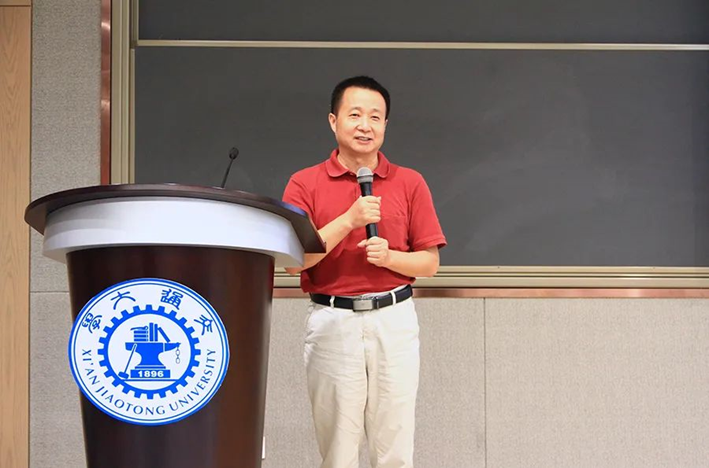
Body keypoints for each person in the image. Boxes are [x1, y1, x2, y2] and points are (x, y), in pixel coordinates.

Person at [282, 75, 446, 468]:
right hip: (332, 320)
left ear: (385, 125)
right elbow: (294, 262)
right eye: (354, 114)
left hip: (394, 320)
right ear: (333, 121)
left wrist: (390, 258)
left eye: (375, 117)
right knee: (338, 449)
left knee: (394, 446)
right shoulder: (304, 183)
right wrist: (348, 220)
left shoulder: (409, 182)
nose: (365, 126)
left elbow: (429, 263)